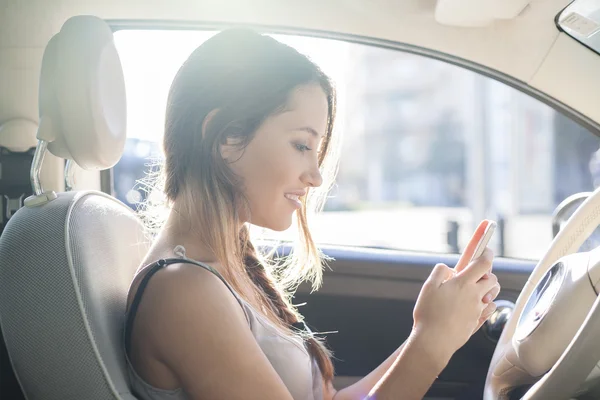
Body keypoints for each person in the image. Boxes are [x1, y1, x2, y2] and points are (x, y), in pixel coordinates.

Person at [124, 28, 501, 400]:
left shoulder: (225, 267)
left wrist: (440, 332)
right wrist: (430, 343)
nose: (316, 176)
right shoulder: (184, 291)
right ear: (226, 137)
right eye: (301, 144)